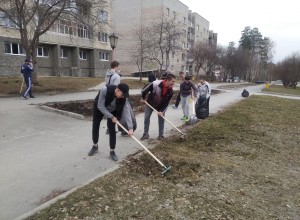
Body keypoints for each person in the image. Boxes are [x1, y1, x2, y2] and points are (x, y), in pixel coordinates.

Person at [88, 83, 134, 161]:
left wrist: (130, 127)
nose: (123, 97)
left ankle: (112, 151)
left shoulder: (124, 98)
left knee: (112, 130)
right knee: (95, 126)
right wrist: (111, 117)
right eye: (122, 95)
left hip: (112, 111)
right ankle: (95, 146)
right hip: (99, 108)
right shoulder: (105, 90)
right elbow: (100, 106)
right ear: (118, 90)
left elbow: (127, 111)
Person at [140, 73, 176, 140]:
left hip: (161, 106)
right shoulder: (155, 84)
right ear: (167, 80)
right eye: (172, 81)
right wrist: (143, 98)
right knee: (147, 117)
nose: (173, 83)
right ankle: (145, 134)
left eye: (174, 82)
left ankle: (160, 136)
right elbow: (144, 90)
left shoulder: (170, 91)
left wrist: (162, 111)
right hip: (150, 103)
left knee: (161, 119)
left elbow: (166, 103)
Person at [105, 61, 121, 134]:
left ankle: (108, 129)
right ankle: (112, 130)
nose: (119, 68)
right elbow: (116, 88)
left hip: (106, 94)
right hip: (113, 96)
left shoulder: (107, 74)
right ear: (116, 66)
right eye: (118, 67)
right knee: (114, 112)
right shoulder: (117, 76)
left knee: (108, 111)